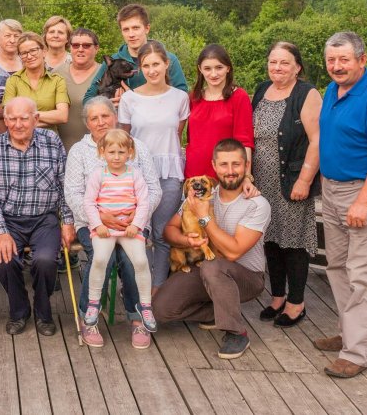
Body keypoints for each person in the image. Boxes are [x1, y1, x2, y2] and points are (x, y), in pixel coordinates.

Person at [314, 32, 367, 379]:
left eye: (344, 60)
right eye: (331, 60)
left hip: (363, 194)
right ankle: (348, 332)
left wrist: (363, 202)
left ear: (362, 60)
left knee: (363, 274)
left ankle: (356, 353)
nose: (336, 66)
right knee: (337, 267)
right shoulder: (332, 90)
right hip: (332, 191)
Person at [154, 139, 271, 361]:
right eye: (224, 164)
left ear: (246, 166)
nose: (230, 171)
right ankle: (216, 312)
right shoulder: (202, 195)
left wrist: (204, 218)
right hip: (205, 268)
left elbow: (233, 253)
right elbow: (168, 231)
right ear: (214, 166)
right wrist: (186, 240)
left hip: (246, 277)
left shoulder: (257, 204)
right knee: (161, 308)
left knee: (213, 266)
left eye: (236, 164)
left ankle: (236, 332)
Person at [64, 96, 162, 349]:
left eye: (105, 116)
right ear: (87, 124)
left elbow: (154, 190)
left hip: (133, 222)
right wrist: (99, 218)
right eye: (94, 118)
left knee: (131, 260)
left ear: (115, 117)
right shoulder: (79, 151)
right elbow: (73, 193)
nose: (100, 122)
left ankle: (137, 316)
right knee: (103, 258)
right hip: (93, 223)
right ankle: (89, 316)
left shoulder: (136, 147)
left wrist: (136, 217)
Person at [0, 97, 75, 336]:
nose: (18, 124)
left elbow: (65, 185)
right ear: (5, 120)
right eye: (12, 119)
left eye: (24, 118)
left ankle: (43, 311)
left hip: (44, 218)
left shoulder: (51, 141)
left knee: (45, 261)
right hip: (8, 220)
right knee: (4, 260)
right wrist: (0, 232)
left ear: (36, 119)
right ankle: (19, 310)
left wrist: (67, 221)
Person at [251, 42, 322, 329]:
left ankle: (296, 302)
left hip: (291, 180)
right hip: (261, 179)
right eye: (273, 62)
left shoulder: (306, 94)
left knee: (293, 241)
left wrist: (305, 180)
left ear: (297, 67)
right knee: (270, 238)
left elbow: (317, 140)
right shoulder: (261, 90)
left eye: (284, 62)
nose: (277, 67)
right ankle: (277, 296)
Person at [118, 40, 190, 292]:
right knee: (137, 232)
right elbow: (124, 138)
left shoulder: (180, 98)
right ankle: (137, 287)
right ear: (140, 68)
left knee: (161, 233)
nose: (152, 70)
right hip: (137, 173)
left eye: (156, 64)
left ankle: (158, 288)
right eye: (146, 65)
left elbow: (177, 133)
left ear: (166, 64)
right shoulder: (129, 99)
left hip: (169, 171)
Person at [80, 130, 156, 348]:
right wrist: (98, 225)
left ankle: (145, 306)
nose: (116, 157)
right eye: (111, 152)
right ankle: (93, 303)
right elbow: (89, 202)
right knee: (100, 259)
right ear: (102, 152)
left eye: (121, 152)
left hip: (128, 229)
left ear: (129, 153)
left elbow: (144, 202)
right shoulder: (98, 175)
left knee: (140, 261)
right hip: (105, 229)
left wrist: (136, 225)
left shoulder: (135, 175)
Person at [84, 3, 188, 103]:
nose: (131, 34)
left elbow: (182, 97)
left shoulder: (169, 59)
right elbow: (88, 99)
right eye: (126, 29)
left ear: (147, 28)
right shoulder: (113, 63)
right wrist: (107, 104)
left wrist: (137, 102)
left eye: (135, 28)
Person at [184, 44, 255, 190]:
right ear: (200, 69)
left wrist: (246, 177)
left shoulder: (239, 97)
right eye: (207, 68)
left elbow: (245, 141)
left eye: (219, 67)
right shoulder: (194, 97)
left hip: (225, 175)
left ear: (228, 68)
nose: (213, 74)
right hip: (195, 175)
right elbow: (192, 138)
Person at [3, 32, 69, 131]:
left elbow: (62, 116)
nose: (29, 56)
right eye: (24, 53)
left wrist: (26, 116)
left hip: (49, 138)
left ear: (44, 52)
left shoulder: (57, 80)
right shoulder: (13, 80)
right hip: (20, 136)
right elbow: (8, 115)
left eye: (33, 51)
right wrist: (48, 118)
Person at [53, 28, 101, 150]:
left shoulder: (105, 74)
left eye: (86, 45)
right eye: (75, 45)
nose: (80, 49)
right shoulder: (57, 73)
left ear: (96, 48)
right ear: (70, 48)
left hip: (96, 149)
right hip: (60, 148)